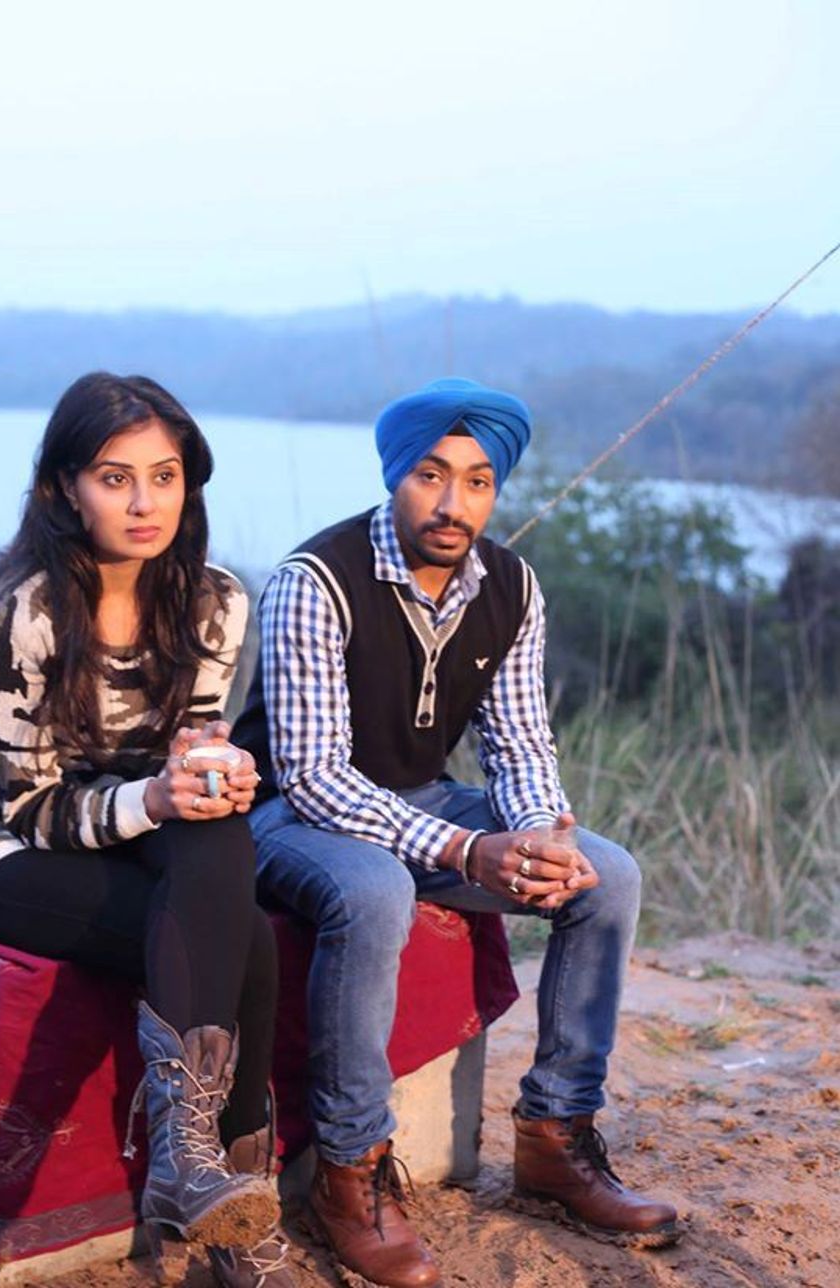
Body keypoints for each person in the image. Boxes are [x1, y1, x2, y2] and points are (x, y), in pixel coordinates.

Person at [233, 377, 679, 1288]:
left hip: (423, 800)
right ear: (395, 476)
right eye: (431, 476)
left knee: (608, 878)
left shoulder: (511, 585)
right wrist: (470, 851)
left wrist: (540, 835)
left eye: (478, 482)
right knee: (374, 887)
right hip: (286, 812)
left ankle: (554, 1138)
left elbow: (518, 741)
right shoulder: (314, 582)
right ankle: (350, 1173)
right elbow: (313, 776)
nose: (453, 503)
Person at [0, 372, 294, 1287]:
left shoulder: (214, 600)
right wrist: (160, 801)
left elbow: (189, 747)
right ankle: (225, 1214)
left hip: (137, 828)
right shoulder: (18, 611)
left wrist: (212, 772)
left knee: (220, 834)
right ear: (66, 488)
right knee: (246, 940)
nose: (145, 503)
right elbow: (28, 808)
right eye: (115, 478)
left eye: (164, 476)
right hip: (10, 856)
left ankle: (192, 1168)